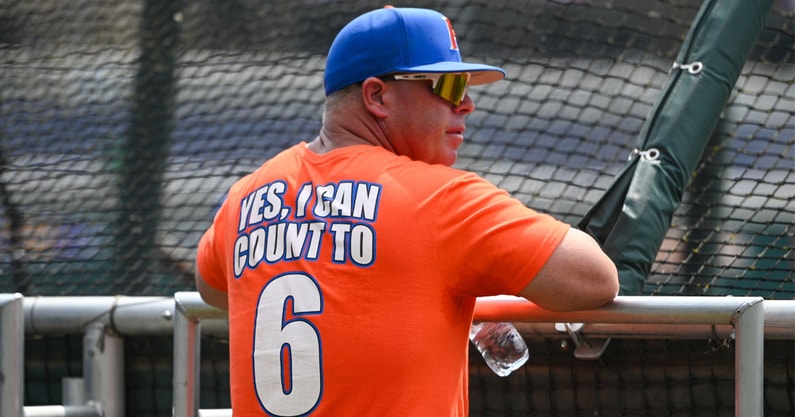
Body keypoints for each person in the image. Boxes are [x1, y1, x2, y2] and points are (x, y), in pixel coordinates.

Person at [194, 6, 618, 416]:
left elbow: (212, 287)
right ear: (377, 95)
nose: (466, 103)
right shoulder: (438, 199)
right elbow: (594, 278)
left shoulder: (246, 196)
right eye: (447, 87)